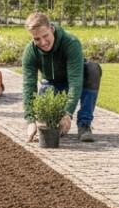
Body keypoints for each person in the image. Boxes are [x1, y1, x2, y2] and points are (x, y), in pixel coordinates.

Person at [21, 13, 101, 143]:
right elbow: (28, 86)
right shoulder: (30, 52)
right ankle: (56, 125)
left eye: (45, 36)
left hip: (76, 81)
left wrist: (67, 113)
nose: (42, 42)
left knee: (93, 69)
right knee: (49, 126)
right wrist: (31, 120)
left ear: (51, 28)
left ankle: (84, 125)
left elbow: (75, 81)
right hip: (51, 85)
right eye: (37, 39)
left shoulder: (71, 43)